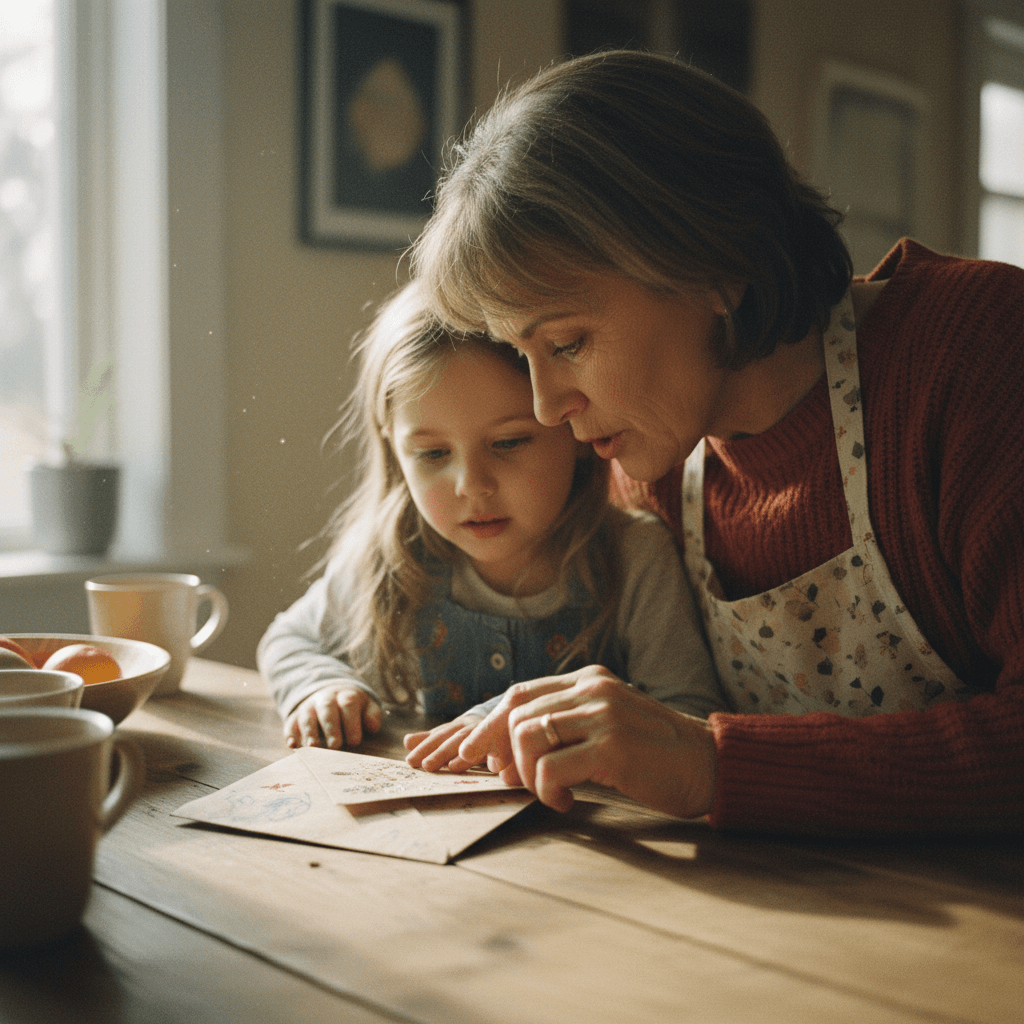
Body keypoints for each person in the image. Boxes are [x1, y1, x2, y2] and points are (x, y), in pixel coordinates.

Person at [409, 49, 1024, 834]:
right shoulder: (652, 468)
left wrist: (713, 764)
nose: (547, 406)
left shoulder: (977, 352)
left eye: (565, 344)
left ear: (716, 262)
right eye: (519, 355)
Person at [257, 280, 725, 767]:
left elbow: (689, 715)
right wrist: (320, 686)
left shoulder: (634, 556)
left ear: (573, 431)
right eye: (433, 453)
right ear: (396, 456)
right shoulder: (392, 553)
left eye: (509, 443)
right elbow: (290, 639)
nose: (472, 485)